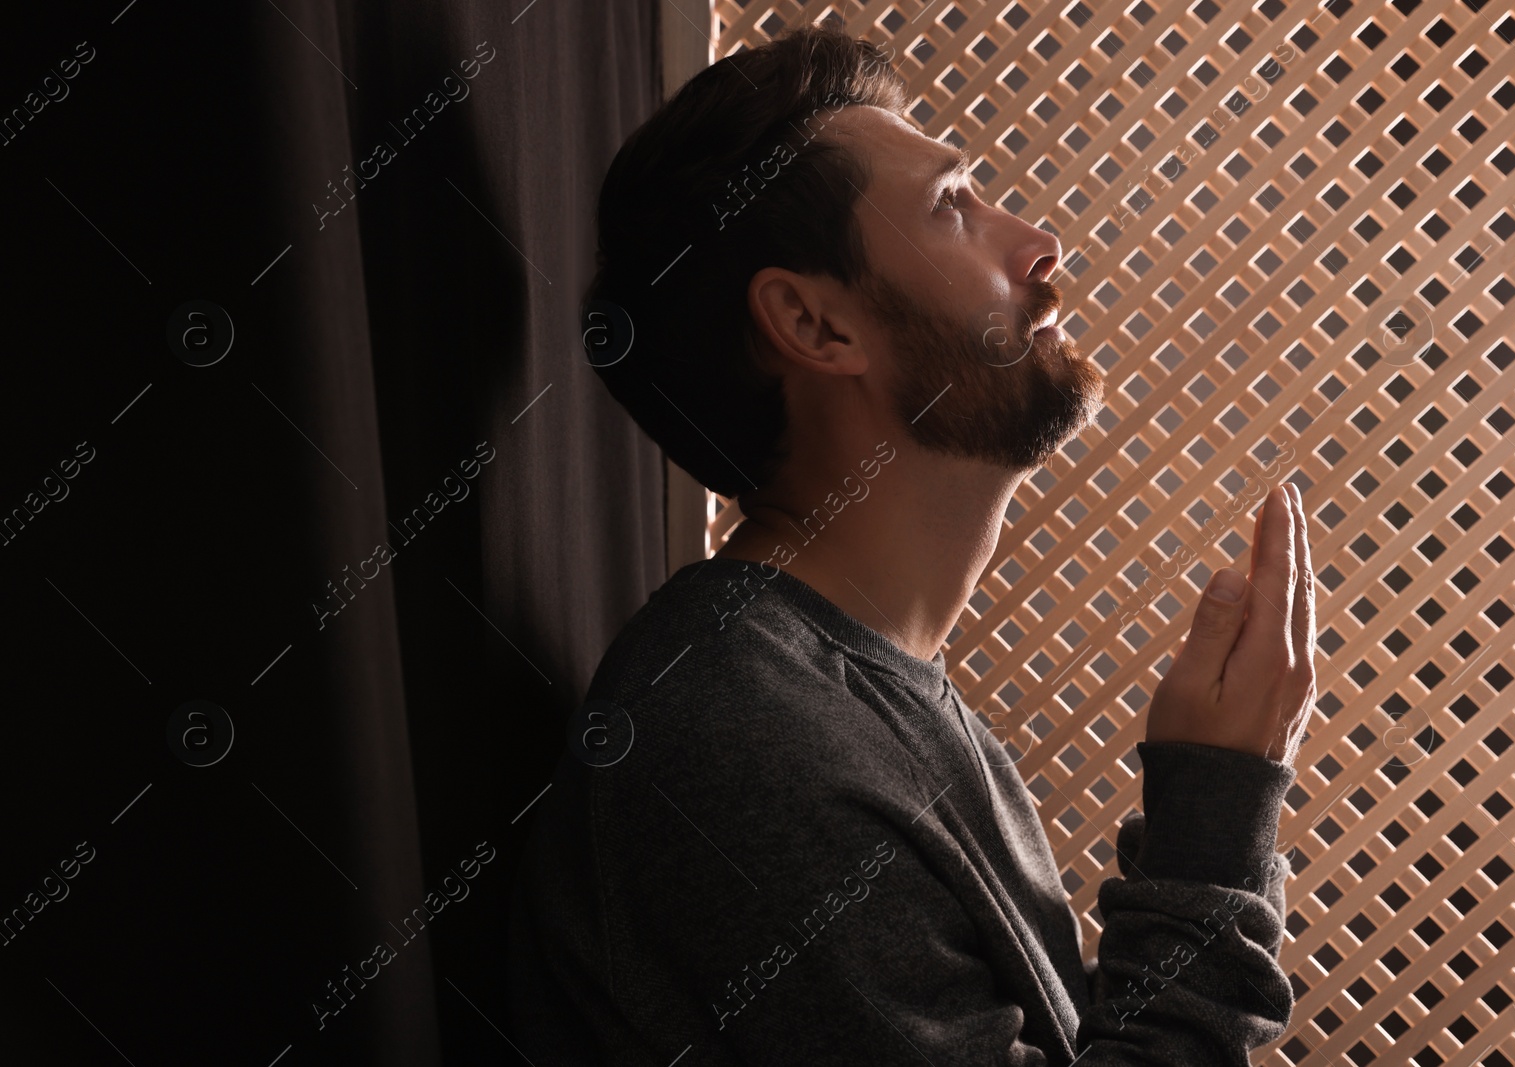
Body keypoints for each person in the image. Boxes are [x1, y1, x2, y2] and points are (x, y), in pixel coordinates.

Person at [509, 22, 1318, 1065]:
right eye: (952, 205)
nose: (1036, 244)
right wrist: (1216, 808)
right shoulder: (742, 743)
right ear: (813, 324)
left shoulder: (851, 694)